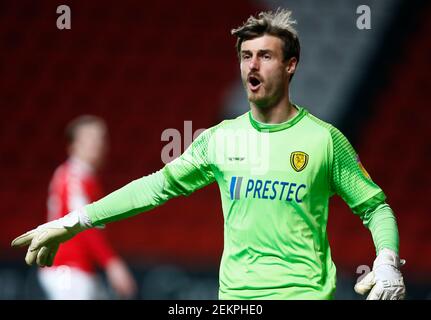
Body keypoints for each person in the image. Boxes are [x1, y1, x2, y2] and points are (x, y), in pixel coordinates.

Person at [12, 9, 405, 300]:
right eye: (245, 55)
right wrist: (75, 220)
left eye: (265, 56)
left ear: (290, 66)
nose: (252, 64)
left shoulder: (324, 140)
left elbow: (376, 207)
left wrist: (386, 261)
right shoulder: (219, 140)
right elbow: (154, 188)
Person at [36, 115, 137, 299]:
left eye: (101, 138)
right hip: (67, 269)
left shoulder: (86, 178)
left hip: (80, 269)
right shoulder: (73, 178)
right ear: (73, 145)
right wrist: (112, 263)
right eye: (90, 138)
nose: (97, 143)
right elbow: (84, 224)